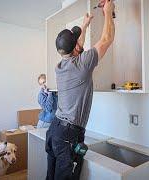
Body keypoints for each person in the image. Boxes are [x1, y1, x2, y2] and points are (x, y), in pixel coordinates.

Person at [45, 0, 115, 179]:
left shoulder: (60, 66)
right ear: (76, 47)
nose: (79, 42)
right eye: (77, 40)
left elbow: (77, 46)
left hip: (55, 131)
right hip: (69, 135)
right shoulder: (82, 65)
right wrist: (108, 11)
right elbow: (107, 39)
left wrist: (85, 25)